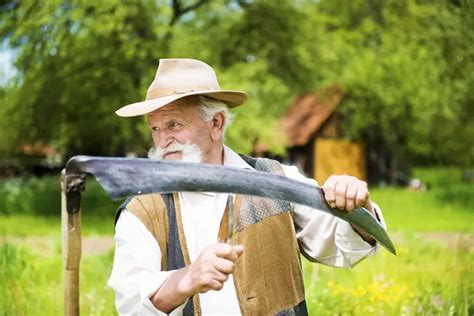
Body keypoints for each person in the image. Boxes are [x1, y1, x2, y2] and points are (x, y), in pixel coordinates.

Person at [108, 58, 386, 315]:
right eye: (155, 128)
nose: (162, 140)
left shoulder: (274, 179)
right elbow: (132, 305)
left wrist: (355, 205)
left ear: (216, 123)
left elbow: (345, 247)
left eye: (173, 124)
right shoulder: (142, 210)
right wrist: (185, 279)